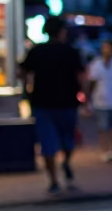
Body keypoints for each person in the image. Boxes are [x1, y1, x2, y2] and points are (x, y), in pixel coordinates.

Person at [18, 17, 85, 194]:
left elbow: (22, 72)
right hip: (68, 102)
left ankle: (54, 180)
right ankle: (66, 162)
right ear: (62, 32)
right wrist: (85, 98)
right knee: (69, 139)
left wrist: (27, 91)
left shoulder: (36, 51)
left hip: (42, 102)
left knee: (47, 143)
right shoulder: (71, 51)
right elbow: (81, 76)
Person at [87, 40, 112, 162]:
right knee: (102, 127)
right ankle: (106, 150)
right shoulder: (95, 65)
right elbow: (92, 82)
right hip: (101, 101)